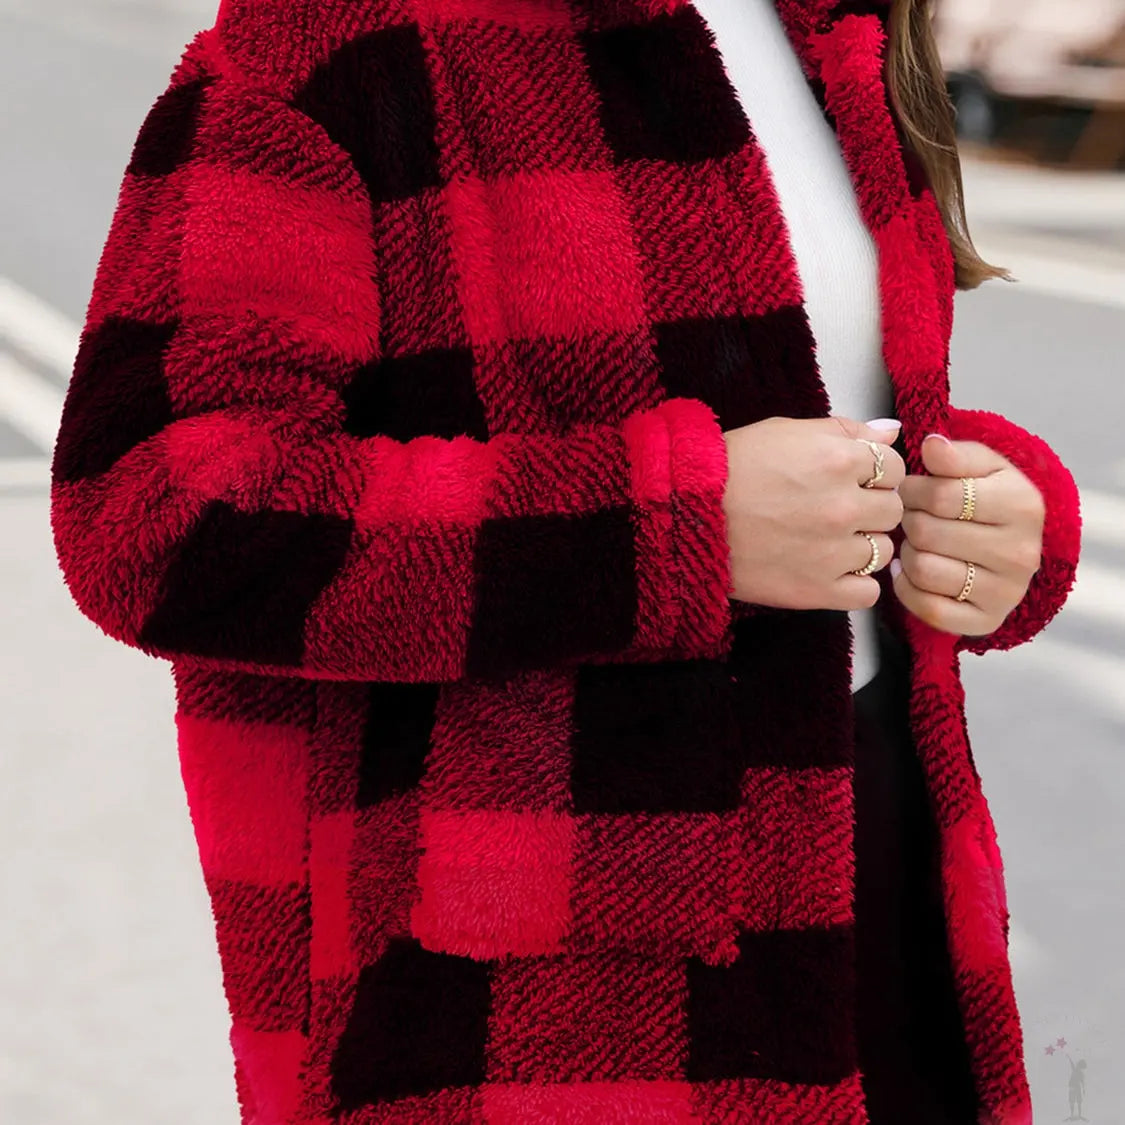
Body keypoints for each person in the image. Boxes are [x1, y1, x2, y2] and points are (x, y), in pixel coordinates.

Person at [49, 0, 1081, 1121]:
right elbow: (153, 511)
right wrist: (667, 528)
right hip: (534, 989)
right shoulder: (335, 38)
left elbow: (815, 406)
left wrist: (992, 514)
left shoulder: (825, 21)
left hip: (874, 875)